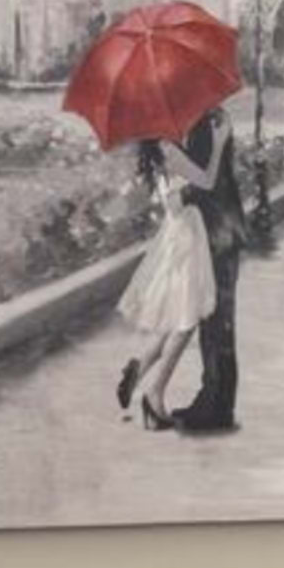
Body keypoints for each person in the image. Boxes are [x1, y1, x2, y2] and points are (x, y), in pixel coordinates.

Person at [110, 137, 215, 431]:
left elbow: (174, 198)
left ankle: (140, 367)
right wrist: (216, 144)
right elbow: (207, 181)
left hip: (177, 233)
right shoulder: (170, 150)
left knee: (180, 316)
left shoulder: (157, 152)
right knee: (186, 320)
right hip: (186, 238)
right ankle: (154, 392)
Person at [172, 103, 252, 434]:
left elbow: (207, 180)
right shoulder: (215, 117)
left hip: (216, 232)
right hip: (225, 228)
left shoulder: (206, 125)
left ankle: (215, 405)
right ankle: (217, 400)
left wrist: (185, 192)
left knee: (215, 320)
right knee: (219, 320)